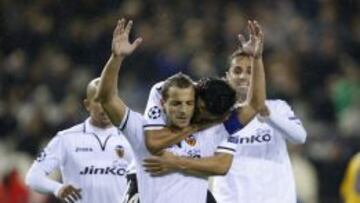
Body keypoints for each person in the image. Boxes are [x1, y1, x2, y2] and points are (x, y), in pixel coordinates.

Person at [96, 18, 256, 203]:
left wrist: (257, 59)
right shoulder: (143, 130)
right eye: (176, 104)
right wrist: (116, 58)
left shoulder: (212, 131)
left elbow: (254, 106)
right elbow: (107, 99)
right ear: (163, 103)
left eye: (189, 103)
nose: (183, 110)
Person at [211, 20, 307, 203]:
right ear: (227, 77)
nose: (243, 76)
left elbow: (300, 137)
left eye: (250, 71)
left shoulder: (278, 107)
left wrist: (266, 113)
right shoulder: (215, 116)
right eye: (237, 70)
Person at [25, 78, 134, 203]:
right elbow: (32, 177)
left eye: (109, 100)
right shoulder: (66, 139)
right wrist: (57, 188)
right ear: (87, 105)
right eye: (99, 101)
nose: (105, 106)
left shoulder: (132, 138)